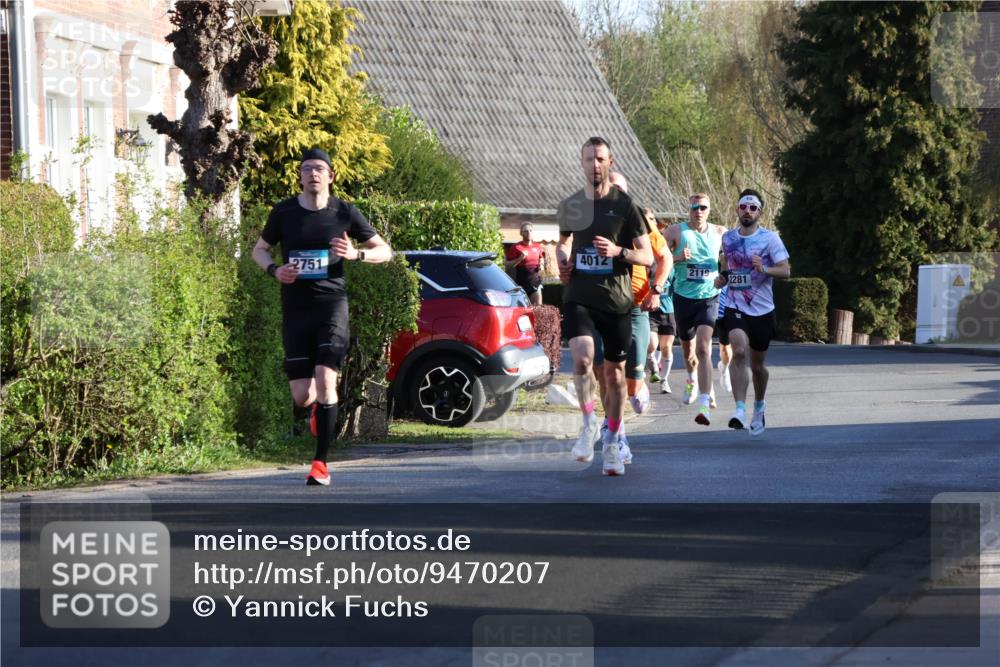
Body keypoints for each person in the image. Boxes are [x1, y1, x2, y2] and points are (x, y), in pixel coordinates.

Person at [253, 148, 393, 486]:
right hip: (296, 308)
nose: (313, 174)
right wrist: (274, 269)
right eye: (306, 169)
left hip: (332, 304)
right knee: (302, 395)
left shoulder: (344, 212)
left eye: (319, 169)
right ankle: (318, 409)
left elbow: (385, 251)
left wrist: (357, 253)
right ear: (299, 177)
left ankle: (320, 464)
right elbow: (258, 250)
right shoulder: (284, 212)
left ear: (330, 176)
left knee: (326, 378)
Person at [558, 137, 653, 476]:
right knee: (582, 359)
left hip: (616, 300)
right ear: (581, 163)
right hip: (580, 296)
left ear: (609, 161)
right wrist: (562, 262)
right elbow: (564, 242)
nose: (594, 165)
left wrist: (618, 252)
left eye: (600, 159)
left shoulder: (626, 207)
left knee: (614, 377)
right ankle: (587, 425)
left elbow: (648, 256)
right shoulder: (570, 205)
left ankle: (612, 441)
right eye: (588, 159)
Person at [715, 189, 791, 436]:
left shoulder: (770, 239)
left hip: (762, 310)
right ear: (737, 210)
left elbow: (786, 271)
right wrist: (723, 278)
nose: (747, 211)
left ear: (760, 212)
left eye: (752, 208)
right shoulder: (727, 238)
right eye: (743, 207)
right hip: (736, 306)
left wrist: (765, 268)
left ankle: (759, 406)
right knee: (737, 351)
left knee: (758, 366)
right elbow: (727, 264)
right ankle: (739, 409)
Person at [663, 193, 726, 425]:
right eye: (694, 207)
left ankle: (704, 402)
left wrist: (725, 275)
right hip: (683, 298)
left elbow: (733, 256)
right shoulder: (675, 232)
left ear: (709, 210)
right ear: (688, 209)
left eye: (703, 207)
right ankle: (692, 379)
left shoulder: (720, 232)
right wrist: (678, 257)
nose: (698, 211)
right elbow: (657, 257)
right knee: (689, 353)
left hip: (709, 297)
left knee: (703, 348)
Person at [505, 222, 546, 305]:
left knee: (537, 310)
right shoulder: (516, 247)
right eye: (526, 231)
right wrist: (519, 259)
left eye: (530, 231)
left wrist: (542, 265)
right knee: (523, 310)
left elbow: (541, 258)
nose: (529, 233)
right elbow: (507, 265)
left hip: (535, 283)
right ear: (521, 233)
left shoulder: (537, 246)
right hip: (521, 284)